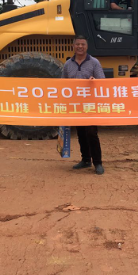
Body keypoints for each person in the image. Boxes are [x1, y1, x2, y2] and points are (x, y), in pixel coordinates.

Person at [61, 35, 106, 175]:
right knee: (80, 132)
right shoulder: (67, 64)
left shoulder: (94, 62)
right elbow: (62, 84)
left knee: (91, 132)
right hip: (76, 104)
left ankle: (98, 163)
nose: (80, 47)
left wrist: (94, 80)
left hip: (90, 104)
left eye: (83, 44)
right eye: (77, 44)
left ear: (87, 47)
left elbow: (103, 81)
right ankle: (86, 160)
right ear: (73, 46)